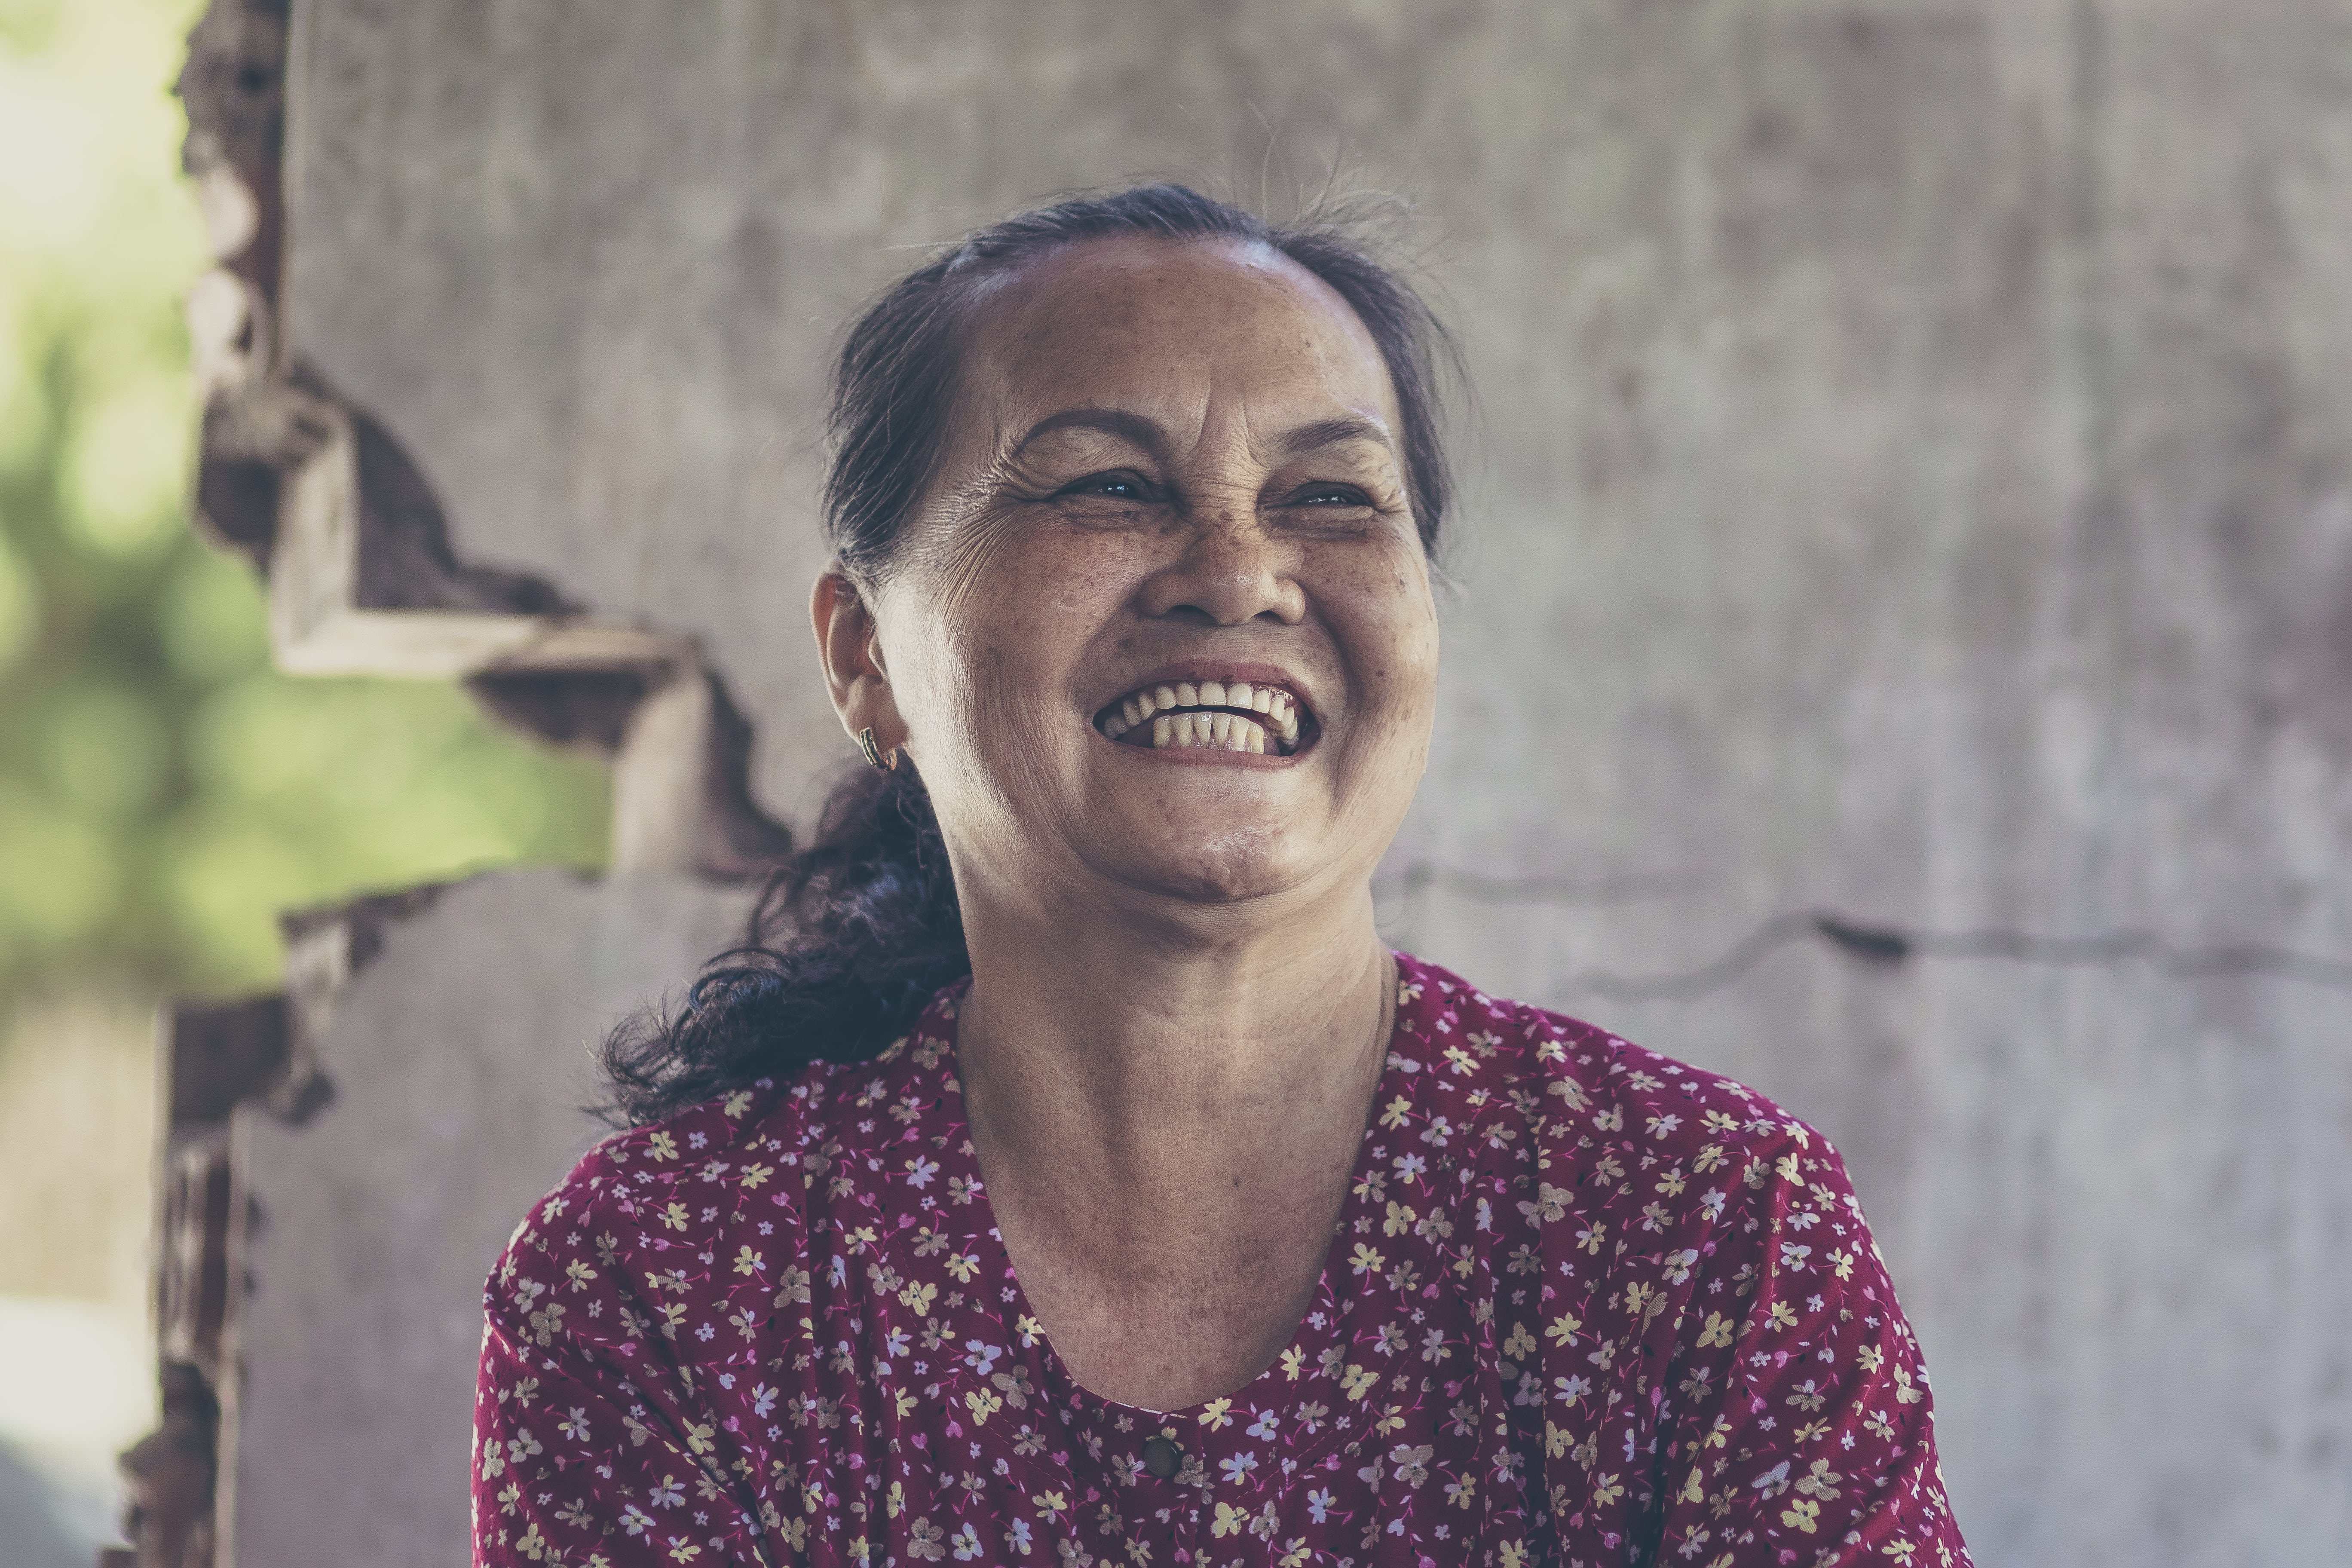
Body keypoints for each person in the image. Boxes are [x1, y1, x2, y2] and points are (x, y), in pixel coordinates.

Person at [470, 184, 1971, 1568]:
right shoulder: (671, 1288)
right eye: (1105, 487)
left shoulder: (1700, 1231)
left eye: (1333, 499)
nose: (1239, 569)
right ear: (868, 658)